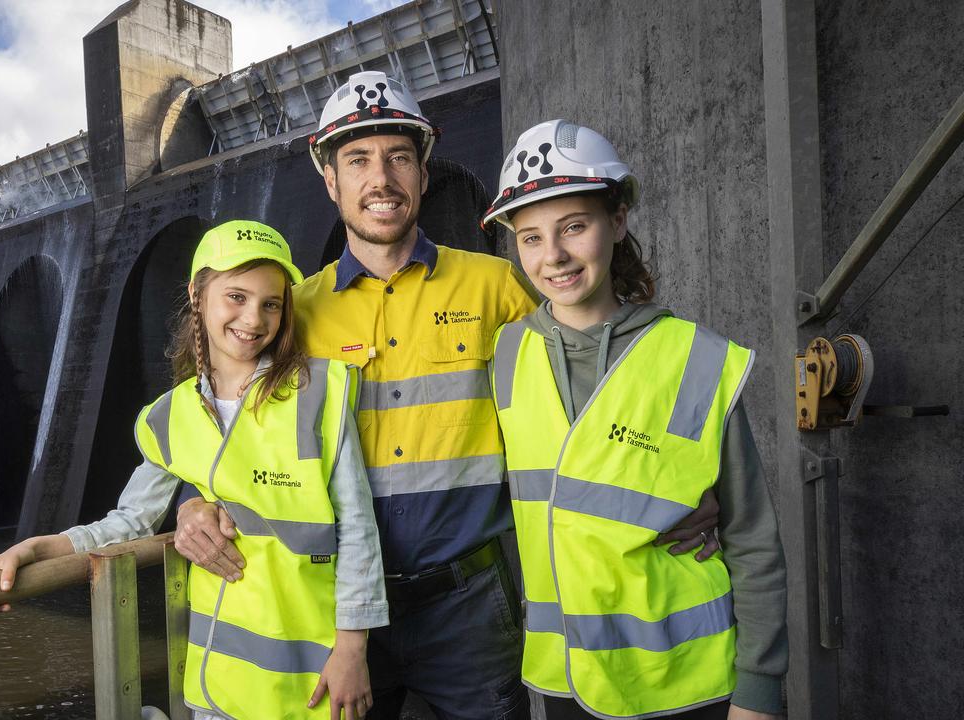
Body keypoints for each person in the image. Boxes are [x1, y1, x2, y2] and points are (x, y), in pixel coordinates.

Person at [172, 72, 723, 720]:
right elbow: (228, 420)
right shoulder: (297, 311)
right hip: (335, 609)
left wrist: (676, 481)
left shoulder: (496, 287)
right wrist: (193, 501)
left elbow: (599, 382)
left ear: (424, 172)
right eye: (358, 161)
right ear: (331, 182)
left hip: (470, 607)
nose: (381, 178)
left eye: (399, 157)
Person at [0, 220, 388, 720]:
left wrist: (353, 650)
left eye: (271, 303)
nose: (253, 318)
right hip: (215, 685)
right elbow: (128, 524)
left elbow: (358, 528)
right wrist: (35, 547)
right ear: (197, 294)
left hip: (312, 681)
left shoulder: (322, 392)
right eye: (236, 296)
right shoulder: (169, 416)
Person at [482, 120, 787, 720]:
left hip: (687, 681)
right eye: (531, 237)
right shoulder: (506, 354)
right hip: (567, 680)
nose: (554, 257)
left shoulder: (697, 358)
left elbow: (753, 537)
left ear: (617, 222)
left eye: (574, 227)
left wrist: (760, 689)